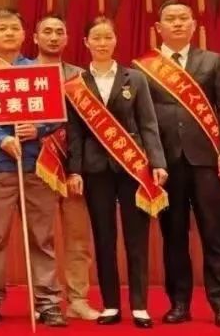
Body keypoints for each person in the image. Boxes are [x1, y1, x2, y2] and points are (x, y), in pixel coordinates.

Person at [138, 0, 220, 327]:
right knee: (174, 235)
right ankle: (179, 303)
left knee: (215, 233)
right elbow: (143, 118)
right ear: (159, 27)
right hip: (166, 163)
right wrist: (152, 158)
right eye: (171, 19)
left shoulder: (212, 61)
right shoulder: (144, 67)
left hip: (208, 161)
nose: (178, 23)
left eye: (184, 18)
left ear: (194, 25)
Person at [66, 17, 166, 329]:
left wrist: (158, 162)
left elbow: (148, 123)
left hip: (132, 165)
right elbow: (75, 133)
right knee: (104, 237)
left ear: (115, 40)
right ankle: (110, 304)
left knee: (136, 237)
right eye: (96, 37)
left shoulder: (134, 78)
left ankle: (139, 306)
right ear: (86, 42)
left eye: (107, 37)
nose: (102, 43)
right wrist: (74, 170)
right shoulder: (76, 83)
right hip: (95, 169)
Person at [0, 9, 66, 327]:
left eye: (15, 28)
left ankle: (48, 303)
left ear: (25, 35)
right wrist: (2, 139)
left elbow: (57, 115)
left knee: (42, 238)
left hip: (36, 167)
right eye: (2, 29)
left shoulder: (40, 72)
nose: (9, 33)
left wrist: (38, 128)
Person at [30, 15, 99, 322]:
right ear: (35, 38)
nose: (54, 37)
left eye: (60, 31)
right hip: (38, 166)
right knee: (39, 239)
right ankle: (43, 301)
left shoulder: (81, 77)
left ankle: (78, 299)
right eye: (47, 31)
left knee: (78, 238)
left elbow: (89, 129)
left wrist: (77, 168)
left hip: (74, 168)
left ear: (68, 38)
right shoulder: (22, 74)